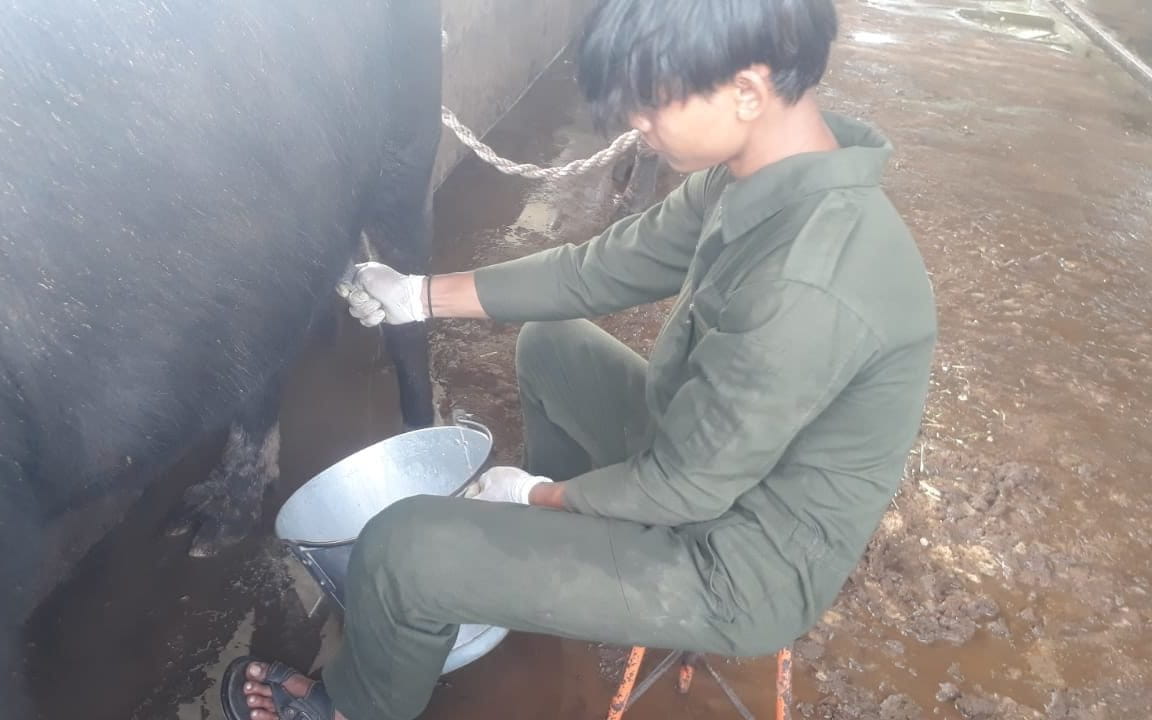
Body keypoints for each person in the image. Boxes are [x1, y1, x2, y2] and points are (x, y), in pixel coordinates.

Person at [221, 0, 936, 718]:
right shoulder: (755, 175)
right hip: (714, 472)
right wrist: (418, 295)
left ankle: (351, 707)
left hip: (734, 564)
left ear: (747, 90)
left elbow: (681, 490)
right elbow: (598, 269)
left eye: (651, 102)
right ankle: (540, 557)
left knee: (399, 552)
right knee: (552, 346)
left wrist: (533, 493)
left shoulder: (808, 279)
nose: (637, 124)